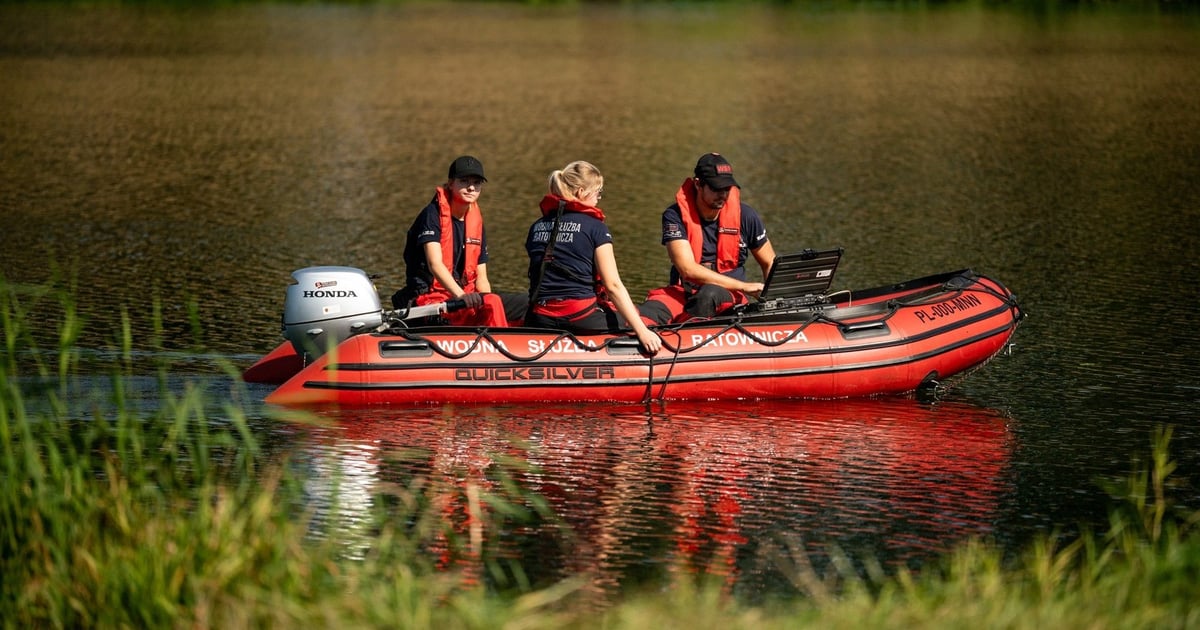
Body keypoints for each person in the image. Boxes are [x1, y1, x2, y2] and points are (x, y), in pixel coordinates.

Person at [524, 161, 662, 353]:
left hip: (539, 315)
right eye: (597, 191)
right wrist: (643, 331)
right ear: (581, 192)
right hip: (578, 315)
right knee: (648, 316)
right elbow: (612, 285)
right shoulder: (595, 227)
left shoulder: (536, 226)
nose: (599, 197)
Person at [640, 152, 777, 324]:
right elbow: (687, 269)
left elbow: (769, 263)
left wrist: (772, 303)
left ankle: (682, 335)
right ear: (698, 184)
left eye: (727, 189)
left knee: (709, 294)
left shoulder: (746, 216)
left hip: (728, 295)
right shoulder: (674, 216)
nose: (723, 195)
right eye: (716, 188)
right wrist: (746, 286)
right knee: (647, 312)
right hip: (683, 292)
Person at [392, 155, 527, 327]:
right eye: (464, 181)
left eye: (477, 183)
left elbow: (481, 277)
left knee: (527, 302)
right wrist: (461, 296)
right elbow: (435, 264)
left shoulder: (475, 221)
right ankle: (497, 343)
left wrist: (484, 304)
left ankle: (504, 341)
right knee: (492, 302)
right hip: (432, 300)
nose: (471, 187)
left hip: (466, 298)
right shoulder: (432, 215)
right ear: (450, 183)